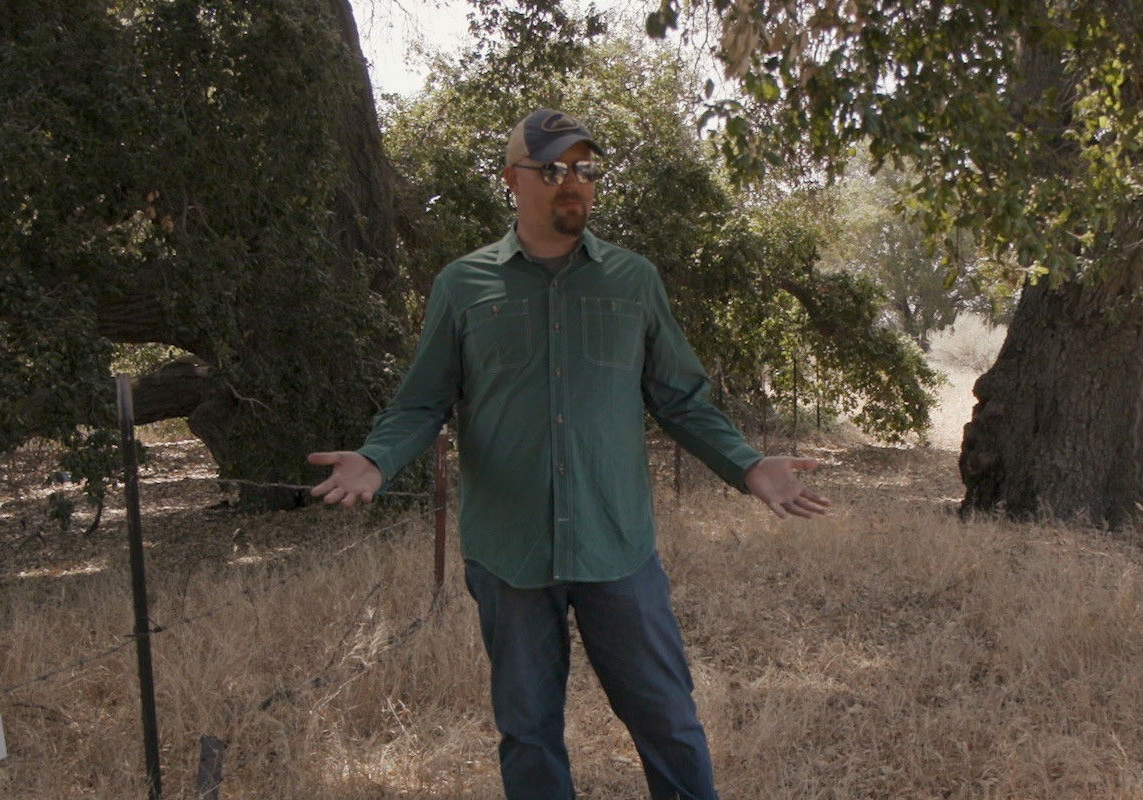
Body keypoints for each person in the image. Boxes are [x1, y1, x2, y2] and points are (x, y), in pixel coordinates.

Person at [305, 108, 830, 800]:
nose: (571, 183)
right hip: (509, 551)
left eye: (583, 168)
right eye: (551, 169)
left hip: (617, 546)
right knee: (528, 731)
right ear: (511, 182)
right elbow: (422, 401)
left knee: (667, 719)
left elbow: (680, 398)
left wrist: (748, 464)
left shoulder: (633, 281)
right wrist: (377, 458)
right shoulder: (463, 286)